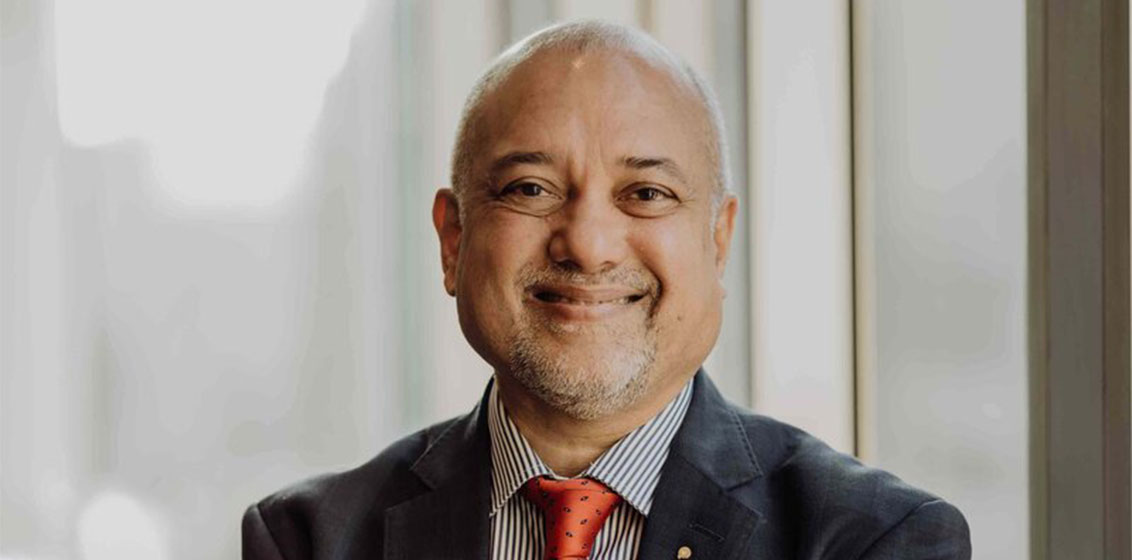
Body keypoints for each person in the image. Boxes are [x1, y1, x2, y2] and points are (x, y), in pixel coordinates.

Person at [242, 20, 971, 560]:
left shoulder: (875, 540)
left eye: (646, 193)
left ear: (718, 242)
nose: (588, 244)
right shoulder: (308, 540)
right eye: (530, 188)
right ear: (453, 239)